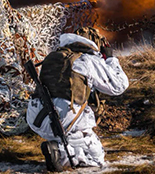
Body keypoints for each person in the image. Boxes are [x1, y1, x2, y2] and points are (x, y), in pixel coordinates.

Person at [26, 27, 129, 171]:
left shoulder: (53, 56)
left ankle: (57, 148)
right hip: (64, 119)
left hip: (36, 117)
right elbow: (118, 86)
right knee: (96, 157)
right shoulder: (87, 60)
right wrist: (111, 59)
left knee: (68, 134)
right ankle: (59, 151)